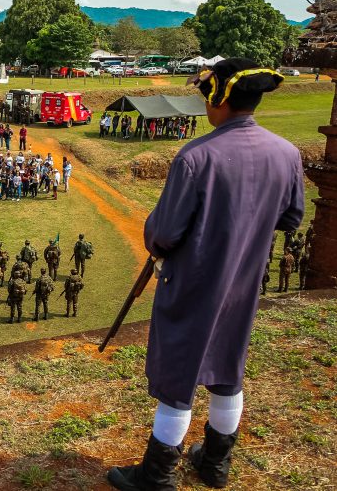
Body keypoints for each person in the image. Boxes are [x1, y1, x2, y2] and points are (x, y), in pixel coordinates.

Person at [107, 59, 304, 491]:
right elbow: (290, 218)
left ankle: (156, 475)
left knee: (180, 377)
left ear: (220, 99)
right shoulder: (287, 153)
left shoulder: (197, 156)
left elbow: (164, 233)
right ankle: (215, 462)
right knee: (227, 368)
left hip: (194, 283)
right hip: (245, 281)